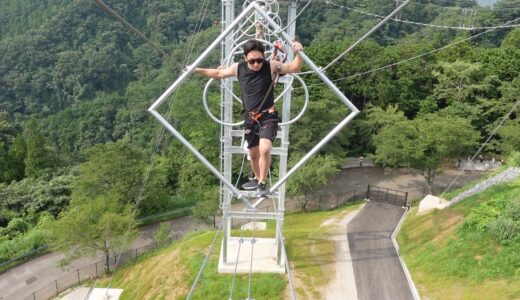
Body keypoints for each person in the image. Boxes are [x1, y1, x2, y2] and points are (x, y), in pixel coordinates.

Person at [193, 39, 304, 197]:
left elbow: (295, 68)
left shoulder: (271, 65)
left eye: (259, 60)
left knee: (265, 149)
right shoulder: (238, 68)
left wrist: (299, 52)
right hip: (250, 118)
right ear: (245, 58)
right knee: (252, 154)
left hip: (268, 115)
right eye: (252, 61)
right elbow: (218, 74)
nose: (257, 64)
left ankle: (263, 183)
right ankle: (259, 180)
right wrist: (196, 70)